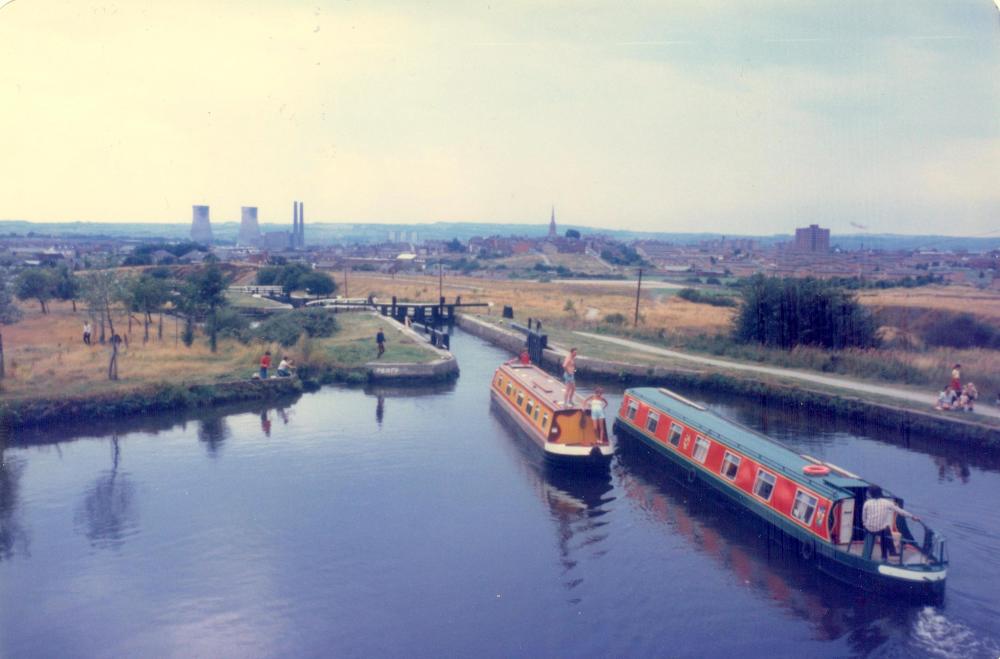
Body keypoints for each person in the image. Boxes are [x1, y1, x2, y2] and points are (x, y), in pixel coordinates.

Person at [862, 485, 919, 561]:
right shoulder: (887, 503)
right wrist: (912, 516)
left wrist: (865, 525)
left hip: (869, 528)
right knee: (886, 531)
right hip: (880, 530)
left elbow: (864, 517)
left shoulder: (867, 503)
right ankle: (886, 555)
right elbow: (900, 511)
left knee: (882, 531)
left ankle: (867, 555)